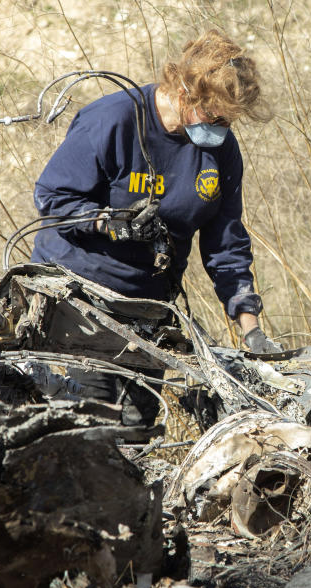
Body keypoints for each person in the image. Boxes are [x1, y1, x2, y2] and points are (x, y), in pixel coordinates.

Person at [30, 29, 280, 355]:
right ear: (184, 91)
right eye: (212, 116)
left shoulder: (221, 151)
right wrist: (109, 222)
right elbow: (51, 198)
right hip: (75, 299)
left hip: (148, 310)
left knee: (140, 406)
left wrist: (251, 329)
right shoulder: (112, 121)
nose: (219, 129)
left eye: (227, 122)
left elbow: (226, 241)